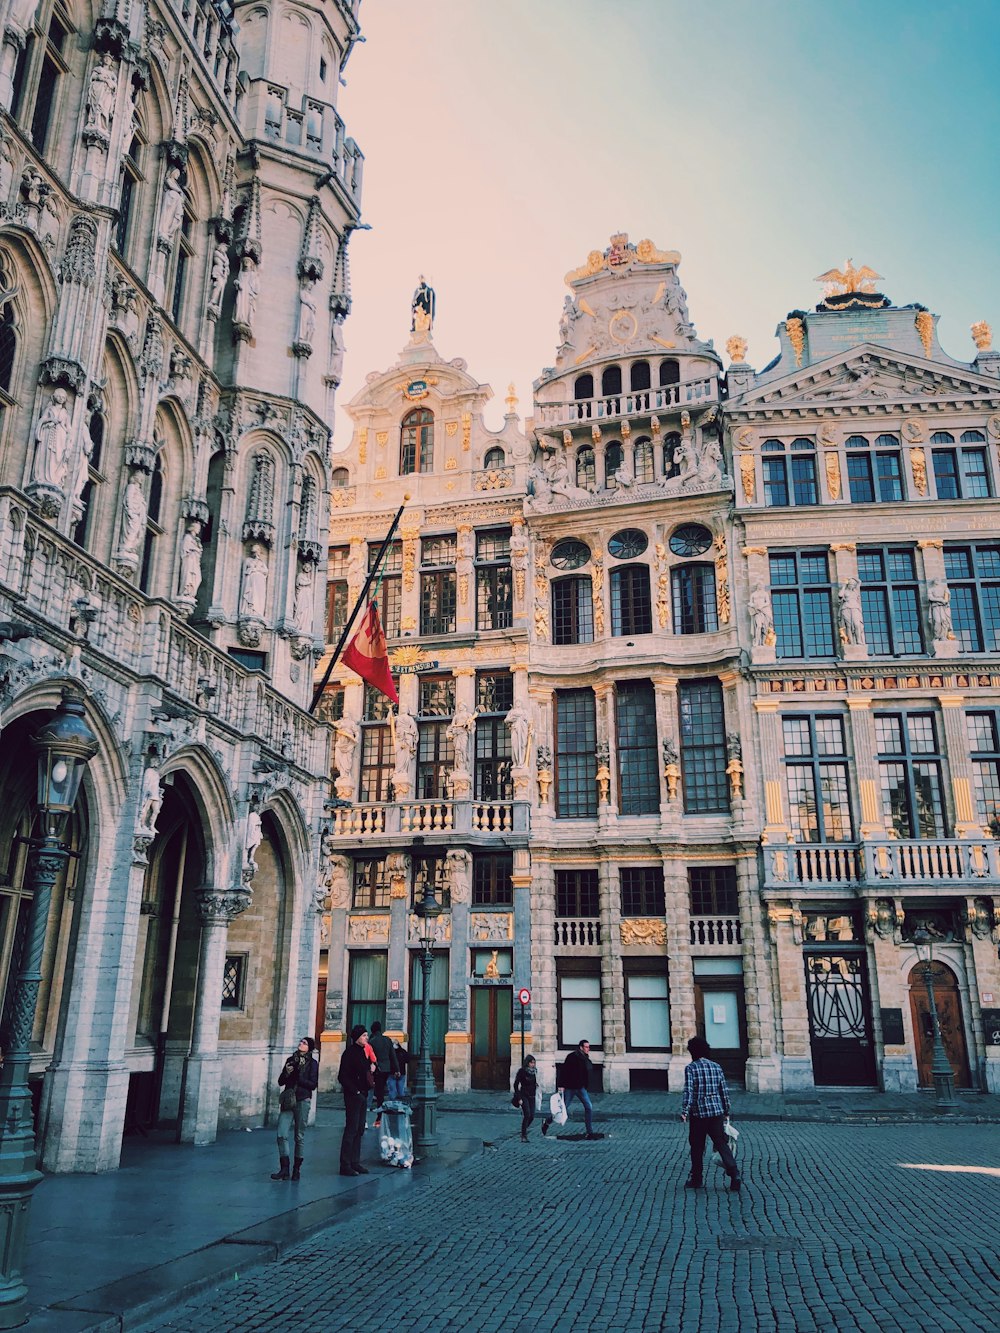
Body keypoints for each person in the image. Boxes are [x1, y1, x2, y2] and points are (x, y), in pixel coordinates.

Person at [680, 1035, 740, 1192]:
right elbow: (723, 1090)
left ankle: (697, 1179)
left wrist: (684, 1111)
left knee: (697, 1146)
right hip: (716, 1111)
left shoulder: (691, 1068)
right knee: (721, 1142)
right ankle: (734, 1173)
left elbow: (689, 1091)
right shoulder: (716, 1067)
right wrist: (726, 1110)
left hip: (699, 1113)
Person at [270, 1036, 319, 1182]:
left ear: (309, 1047)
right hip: (288, 1100)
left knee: (299, 1136)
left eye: (304, 1043)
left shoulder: (312, 1064)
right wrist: (287, 1073)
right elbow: (280, 1081)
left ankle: (296, 1169)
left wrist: (298, 1076)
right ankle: (284, 1168)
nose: (301, 1044)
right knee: (281, 1134)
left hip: (303, 1100)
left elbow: (313, 1084)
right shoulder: (291, 1060)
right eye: (300, 1042)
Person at [542, 1038, 598, 1139]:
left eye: (588, 1047)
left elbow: (586, 1073)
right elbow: (564, 1071)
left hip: (581, 1088)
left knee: (589, 1107)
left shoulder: (585, 1058)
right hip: (570, 1087)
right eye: (586, 1047)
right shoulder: (572, 1057)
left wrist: (586, 1085)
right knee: (563, 1109)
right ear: (581, 1047)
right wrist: (561, 1085)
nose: (588, 1049)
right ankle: (547, 1121)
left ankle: (589, 1132)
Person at [338, 1024, 371, 1177]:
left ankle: (355, 1162)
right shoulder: (349, 1053)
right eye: (364, 1035)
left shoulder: (362, 1052)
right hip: (353, 1096)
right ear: (357, 1037)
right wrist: (356, 1091)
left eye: (366, 1035)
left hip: (363, 1095)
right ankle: (345, 1164)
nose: (366, 1038)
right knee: (351, 1129)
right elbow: (343, 1076)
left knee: (359, 1129)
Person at [368, 1021, 398, 1128]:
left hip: (377, 1069)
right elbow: (393, 1055)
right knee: (384, 1088)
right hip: (387, 1068)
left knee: (378, 1090)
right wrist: (396, 1069)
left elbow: (369, 1057)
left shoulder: (372, 1041)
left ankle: (380, 1111)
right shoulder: (387, 1040)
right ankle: (384, 1107)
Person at [512, 1055, 538, 1142]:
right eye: (531, 1063)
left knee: (532, 1116)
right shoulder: (522, 1071)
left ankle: (524, 1130)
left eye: (534, 1063)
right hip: (524, 1094)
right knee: (527, 1114)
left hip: (532, 1095)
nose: (533, 1064)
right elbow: (516, 1085)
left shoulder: (534, 1071)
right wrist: (519, 1097)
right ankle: (524, 1135)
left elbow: (534, 1082)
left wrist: (536, 1086)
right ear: (527, 1063)